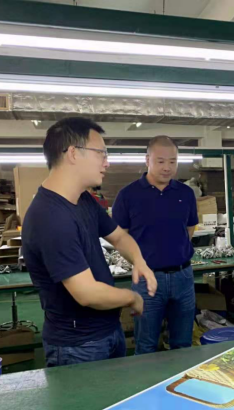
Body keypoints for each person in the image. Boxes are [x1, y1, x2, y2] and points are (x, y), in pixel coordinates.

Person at [23, 118, 157, 368]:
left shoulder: (83, 200)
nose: (107, 163)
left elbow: (119, 236)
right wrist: (131, 297)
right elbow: (87, 293)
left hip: (107, 330)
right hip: (78, 346)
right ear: (73, 153)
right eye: (101, 153)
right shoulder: (50, 217)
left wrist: (139, 261)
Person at [112, 136, 199, 354]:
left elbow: (190, 229)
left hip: (183, 278)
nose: (167, 167)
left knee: (183, 344)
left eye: (172, 161)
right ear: (147, 160)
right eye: (160, 161)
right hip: (147, 279)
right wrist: (140, 263)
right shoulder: (128, 195)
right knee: (146, 345)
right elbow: (120, 237)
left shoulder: (186, 193)